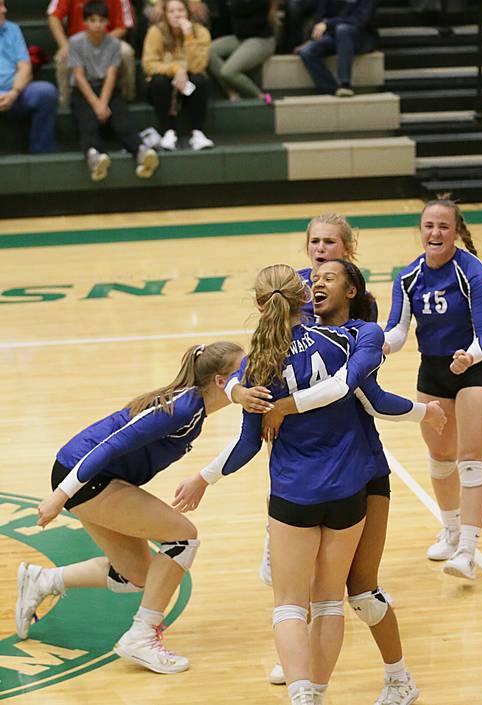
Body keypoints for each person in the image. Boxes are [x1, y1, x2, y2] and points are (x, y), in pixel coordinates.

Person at [229, 259, 444, 705]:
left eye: (329, 273)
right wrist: (236, 388)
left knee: (360, 592)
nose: (318, 279)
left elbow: (365, 394)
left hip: (364, 474)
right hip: (317, 480)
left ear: (350, 289)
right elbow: (244, 366)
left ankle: (397, 676)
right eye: (313, 272)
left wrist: (285, 406)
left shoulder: (357, 337)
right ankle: (308, 681)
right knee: (314, 597)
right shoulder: (299, 338)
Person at [175, 264, 378, 705]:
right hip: (347, 489)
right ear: (304, 295)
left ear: (258, 305)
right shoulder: (347, 339)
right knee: (328, 603)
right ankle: (320, 691)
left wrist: (203, 478)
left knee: (289, 605)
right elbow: (372, 398)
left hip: (293, 494)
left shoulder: (257, 365)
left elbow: (248, 445)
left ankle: (303, 696)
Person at [15, 341, 245, 675]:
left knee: (136, 575)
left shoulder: (194, 411)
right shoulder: (182, 408)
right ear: (222, 382)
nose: (253, 374)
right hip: (86, 475)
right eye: (245, 368)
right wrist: (60, 496)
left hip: (95, 476)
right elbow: (111, 446)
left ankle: (42, 581)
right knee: (183, 537)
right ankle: (141, 637)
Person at [383, 196, 482, 581]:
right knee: (439, 457)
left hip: (476, 368)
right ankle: (450, 529)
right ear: (421, 231)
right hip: (433, 370)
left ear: (455, 232)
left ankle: (467, 549)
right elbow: (399, 329)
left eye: (443, 227)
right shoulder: (408, 277)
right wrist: (380, 344)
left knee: (471, 459)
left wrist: (467, 357)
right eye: (429, 227)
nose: (435, 233)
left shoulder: (473, 273)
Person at [67, 1, 159, 181]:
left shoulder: (114, 44)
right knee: (88, 121)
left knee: (122, 118)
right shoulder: (75, 43)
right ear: (85, 22)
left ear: (107, 23)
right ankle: (94, 157)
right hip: (83, 89)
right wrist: (96, 104)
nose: (97, 25)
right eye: (92, 20)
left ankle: (141, 152)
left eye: (101, 21)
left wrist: (103, 103)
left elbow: (111, 75)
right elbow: (78, 76)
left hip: (106, 88)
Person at [142, 0, 213, 151]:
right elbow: (149, 64)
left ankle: (197, 133)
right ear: (165, 15)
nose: (176, 15)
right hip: (165, 85)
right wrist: (176, 69)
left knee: (199, 81)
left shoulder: (200, 32)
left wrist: (188, 36)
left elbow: (198, 66)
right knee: (159, 81)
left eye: (181, 10)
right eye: (172, 11)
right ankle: (169, 132)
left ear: (188, 13)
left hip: (189, 84)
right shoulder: (156, 32)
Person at [47, 0, 135, 105]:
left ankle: (127, 97)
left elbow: (123, 26)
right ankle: (66, 102)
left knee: (126, 52)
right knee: (63, 56)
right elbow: (53, 17)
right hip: (77, 43)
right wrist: (64, 44)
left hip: (108, 39)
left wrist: (100, 41)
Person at [0, 0, 58, 153]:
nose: (4, 10)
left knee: (45, 92)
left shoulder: (12, 29)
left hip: (16, 93)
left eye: (4, 5)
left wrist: (14, 93)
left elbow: (25, 67)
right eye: (0, 6)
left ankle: (40, 155)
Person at [298, 0, 378, 96]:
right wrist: (313, 39)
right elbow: (320, 19)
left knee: (343, 30)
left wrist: (329, 24)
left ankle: (345, 83)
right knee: (306, 51)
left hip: (362, 37)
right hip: (334, 35)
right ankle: (331, 89)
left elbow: (360, 21)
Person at [208, 0, 278, 102]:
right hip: (240, 38)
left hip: (262, 40)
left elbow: (244, 7)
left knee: (228, 72)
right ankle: (231, 92)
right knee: (208, 50)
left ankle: (260, 96)